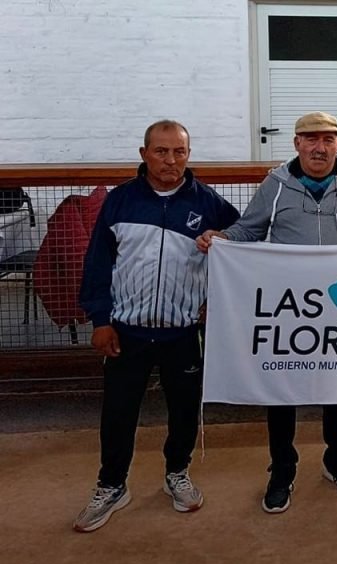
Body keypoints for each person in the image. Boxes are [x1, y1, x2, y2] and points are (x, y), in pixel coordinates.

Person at [196, 111, 337, 514]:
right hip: (291, 310)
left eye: (328, 139)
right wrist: (222, 239)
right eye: (311, 139)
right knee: (281, 387)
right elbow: (249, 229)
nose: (319, 147)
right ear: (296, 144)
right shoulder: (276, 185)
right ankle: (282, 468)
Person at [74, 120, 240, 532]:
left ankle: (177, 473)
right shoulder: (120, 201)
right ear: (144, 154)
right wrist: (100, 320)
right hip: (126, 331)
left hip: (182, 332)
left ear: (188, 154)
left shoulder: (209, 203)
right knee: (118, 412)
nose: (170, 160)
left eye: (179, 151)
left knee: (183, 410)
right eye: (161, 151)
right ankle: (112, 484)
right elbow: (98, 263)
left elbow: (241, 245)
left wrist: (220, 261)